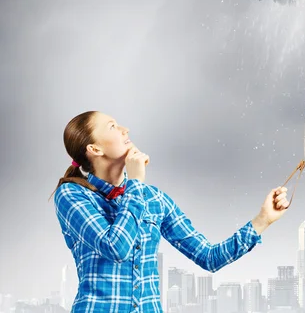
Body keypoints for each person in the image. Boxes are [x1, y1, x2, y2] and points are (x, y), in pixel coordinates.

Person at [50, 110, 290, 313]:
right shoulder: (71, 195)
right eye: (113, 126)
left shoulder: (155, 198)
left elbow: (209, 257)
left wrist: (263, 220)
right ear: (94, 149)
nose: (125, 129)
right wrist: (135, 184)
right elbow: (116, 247)